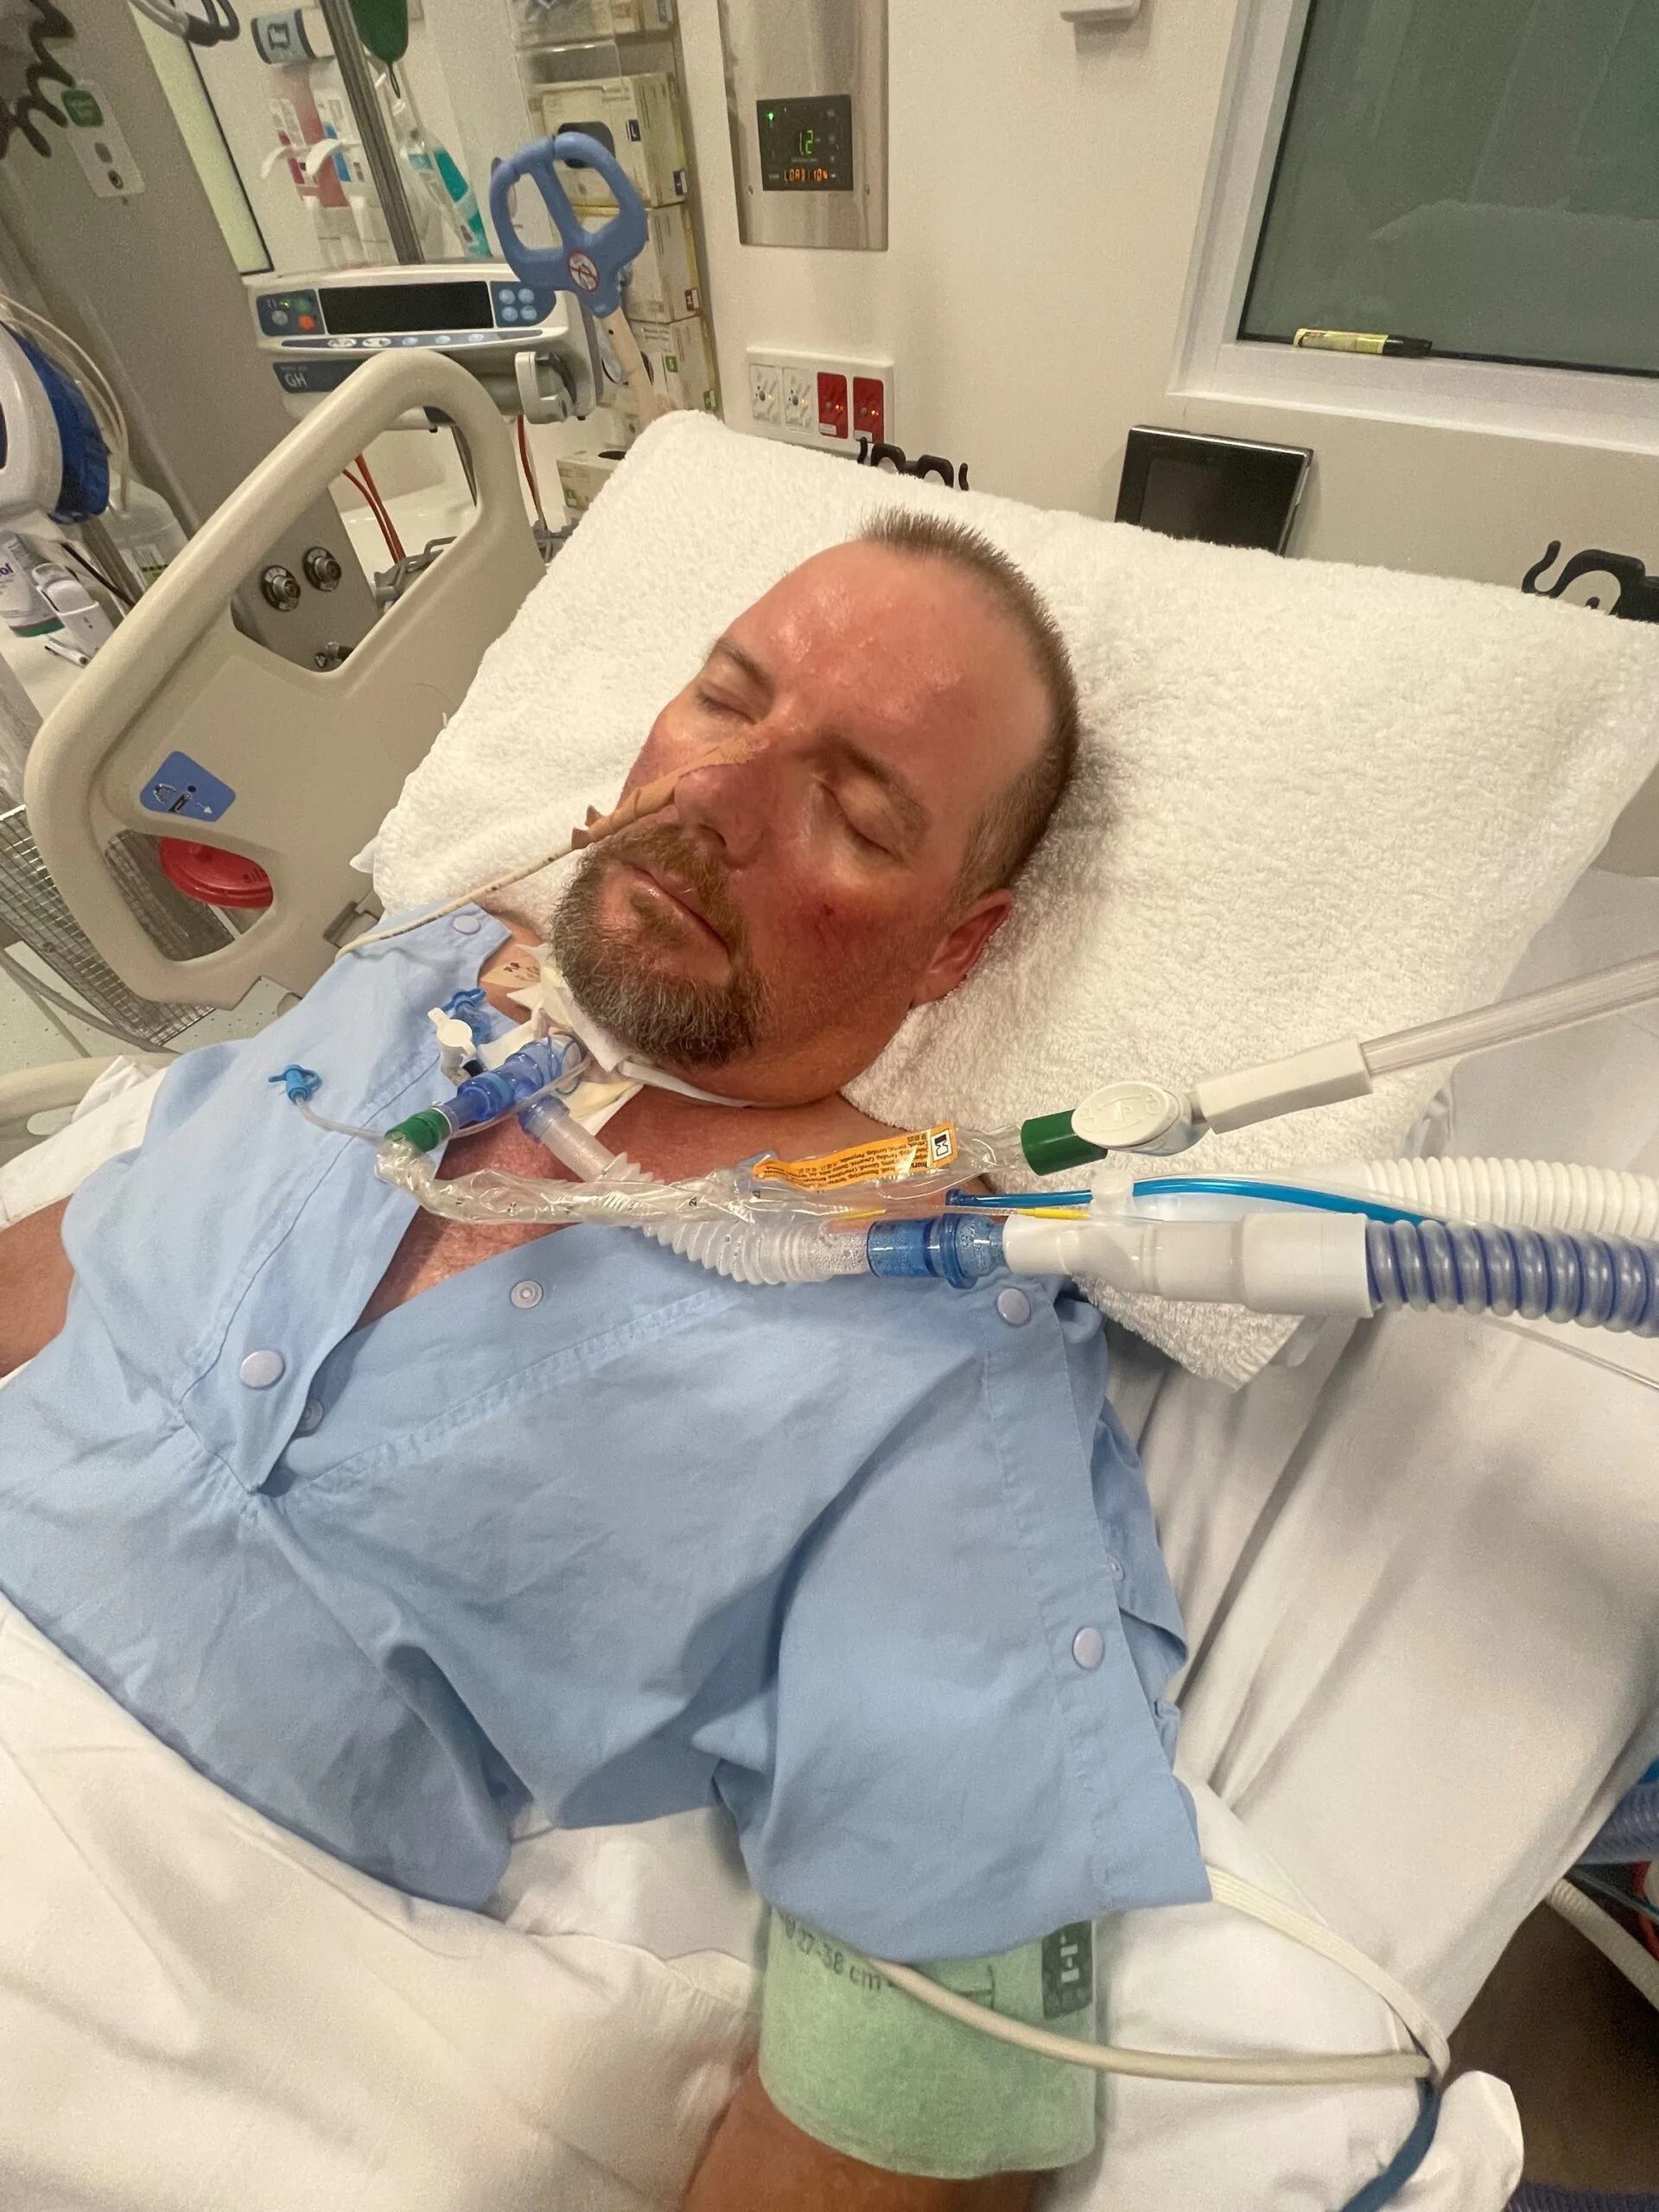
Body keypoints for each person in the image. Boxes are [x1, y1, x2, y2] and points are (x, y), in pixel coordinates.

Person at [0, 513, 1207, 2209]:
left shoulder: (926, 1340)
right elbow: (66, 1268)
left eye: (857, 811)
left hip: (139, 1942)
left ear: (955, 946)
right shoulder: (411, 983)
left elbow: (921, 2084)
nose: (714, 797)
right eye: (726, 698)